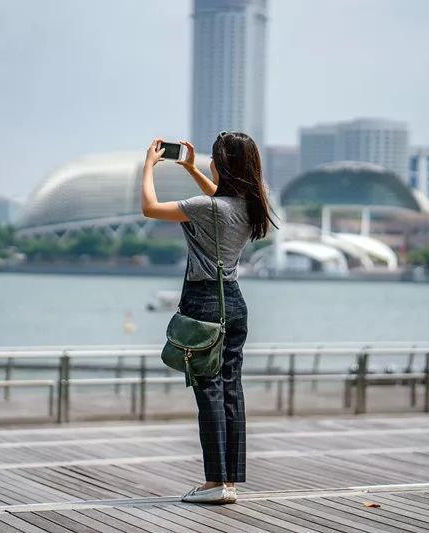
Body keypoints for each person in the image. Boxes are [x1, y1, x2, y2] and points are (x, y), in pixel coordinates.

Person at [140, 132, 279, 504]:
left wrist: (148, 167)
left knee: (209, 391)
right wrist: (189, 168)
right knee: (231, 389)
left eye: (214, 158)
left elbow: (150, 208)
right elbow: (220, 196)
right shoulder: (251, 206)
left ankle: (215, 482)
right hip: (234, 303)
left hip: (204, 303)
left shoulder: (207, 207)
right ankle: (228, 482)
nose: (211, 163)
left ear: (222, 164)